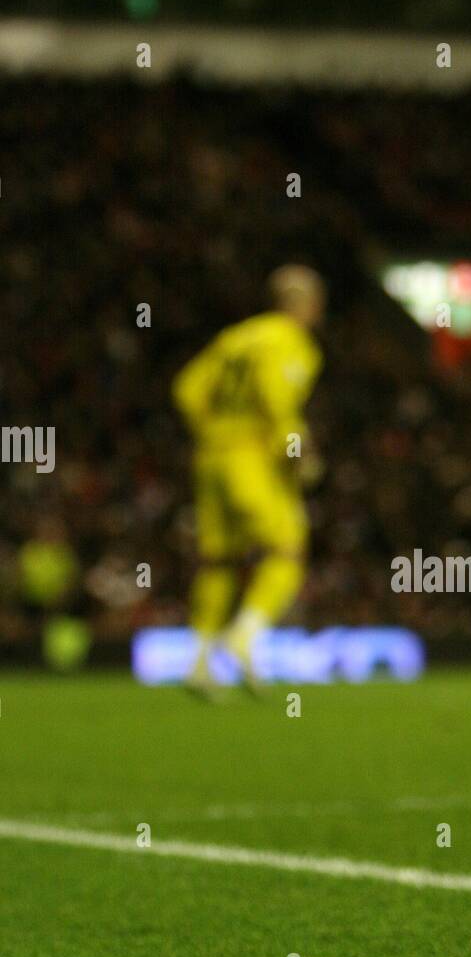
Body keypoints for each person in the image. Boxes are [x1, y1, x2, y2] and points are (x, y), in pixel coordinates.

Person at [173, 265, 325, 692]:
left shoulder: (235, 337)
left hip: (211, 458)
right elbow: (277, 401)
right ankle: (244, 636)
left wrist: (214, 434)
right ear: (307, 304)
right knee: (287, 551)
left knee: (220, 559)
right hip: (254, 458)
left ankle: (199, 663)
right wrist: (298, 452)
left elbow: (186, 389)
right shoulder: (290, 342)